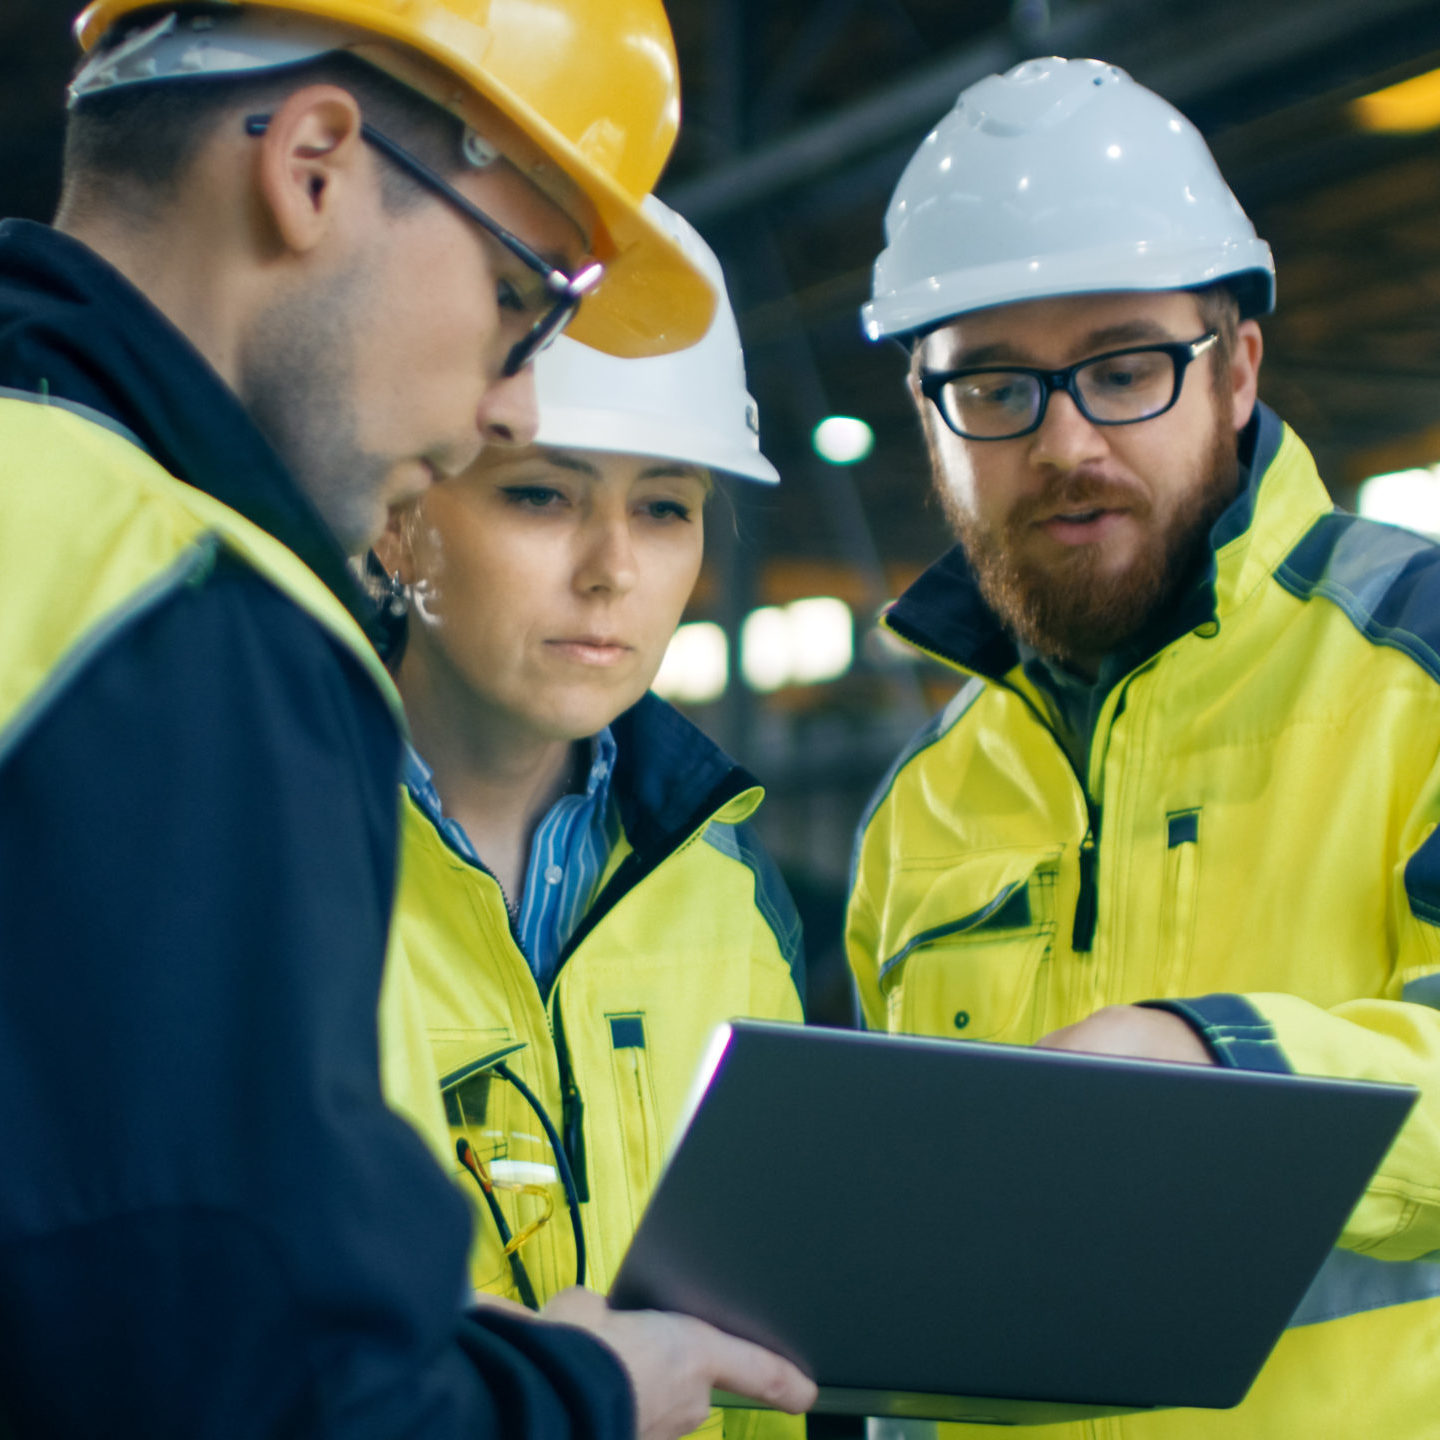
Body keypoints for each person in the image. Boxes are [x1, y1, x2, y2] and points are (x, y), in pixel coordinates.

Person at [0, 3, 814, 1437]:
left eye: (670, 510)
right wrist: (582, 1393)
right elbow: (260, 1393)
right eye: (519, 296)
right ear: (312, 166)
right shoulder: (183, 613)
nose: (509, 403)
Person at [846, 56, 1440, 1440]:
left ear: (1236, 369)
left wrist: (1212, 1067)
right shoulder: (923, 811)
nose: (1065, 443)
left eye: (1124, 369)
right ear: (928, 419)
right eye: (993, 387)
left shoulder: (1423, 661)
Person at [370, 198, 805, 1440]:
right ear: (403, 521)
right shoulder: (270, 857)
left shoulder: (726, 883)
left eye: (667, 509)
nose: (614, 567)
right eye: (546, 497)